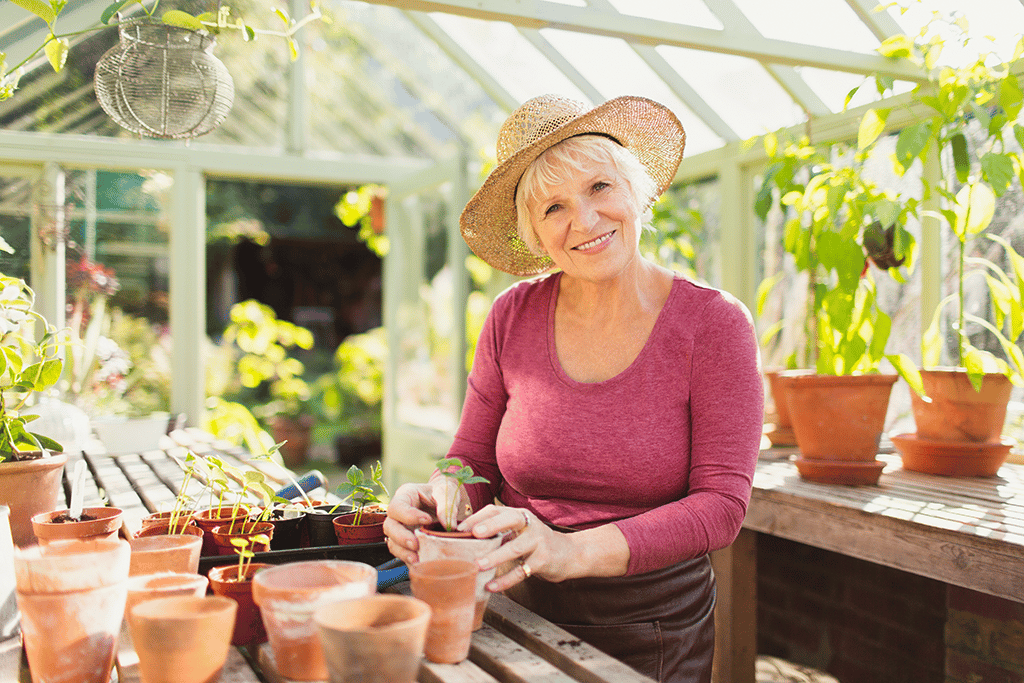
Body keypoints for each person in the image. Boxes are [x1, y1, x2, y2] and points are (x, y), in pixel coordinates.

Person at [383, 94, 763, 683]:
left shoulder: (713, 325)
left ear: (637, 191)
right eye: (553, 206)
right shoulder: (512, 316)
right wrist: (438, 500)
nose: (583, 221)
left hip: (651, 630)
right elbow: (471, 459)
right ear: (533, 233)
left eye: (600, 188)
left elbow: (721, 507)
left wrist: (567, 551)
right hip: (512, 608)